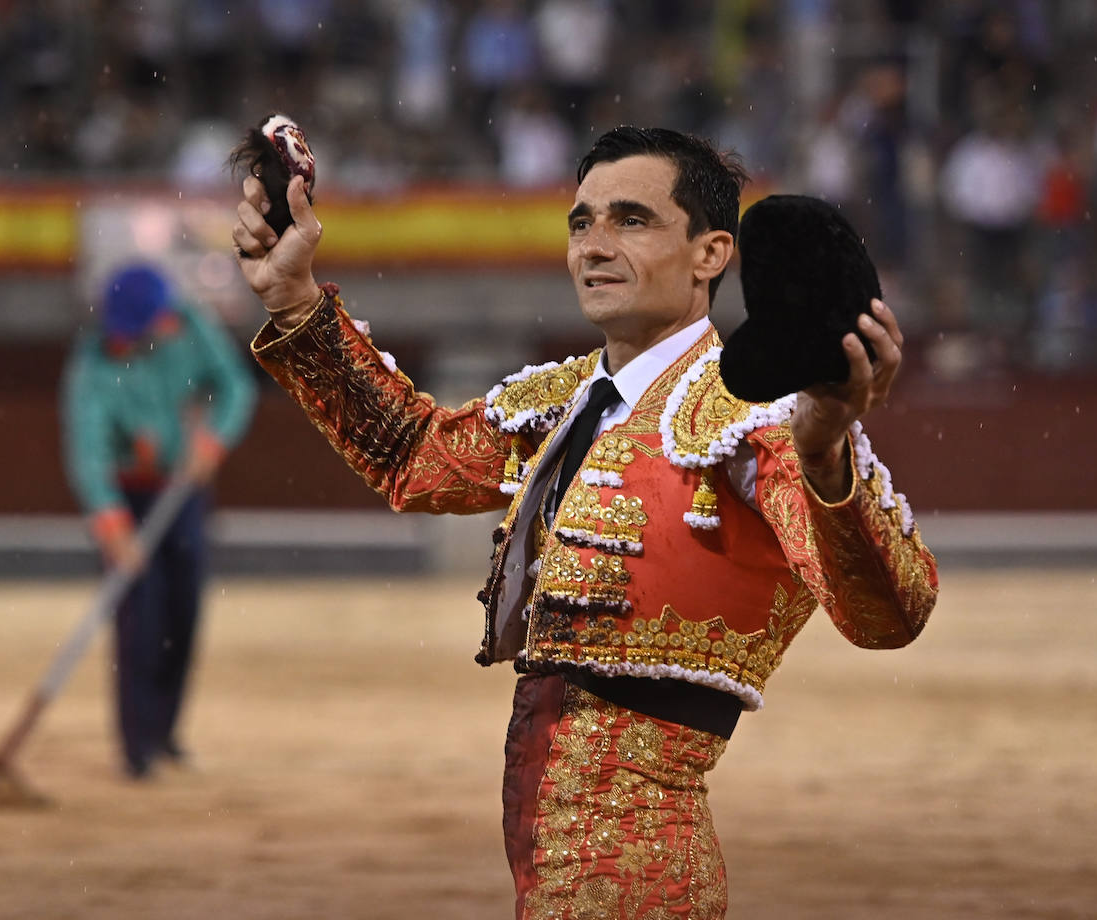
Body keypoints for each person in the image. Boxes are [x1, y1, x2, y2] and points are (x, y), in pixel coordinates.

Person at [232, 126, 938, 918]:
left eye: (631, 221)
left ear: (710, 254)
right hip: (558, 843)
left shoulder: (756, 419)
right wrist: (292, 298)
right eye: (581, 223)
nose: (595, 247)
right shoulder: (565, 399)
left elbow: (889, 615)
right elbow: (413, 456)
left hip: (639, 858)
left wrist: (825, 453)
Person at [61, 262, 257, 780]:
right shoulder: (94, 364)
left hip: (183, 491)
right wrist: (110, 523)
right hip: (128, 498)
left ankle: (166, 732)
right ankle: (137, 747)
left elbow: (235, 388)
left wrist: (213, 439)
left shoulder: (190, 325)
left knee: (181, 614)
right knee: (138, 623)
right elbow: (88, 451)